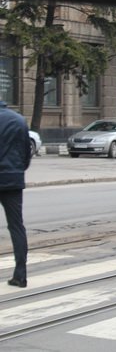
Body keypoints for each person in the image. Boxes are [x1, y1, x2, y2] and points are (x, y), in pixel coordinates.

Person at [0, 100, 31, 288]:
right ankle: (20, 275)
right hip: (13, 180)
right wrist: (18, 169)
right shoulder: (18, 120)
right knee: (16, 227)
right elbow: (26, 153)